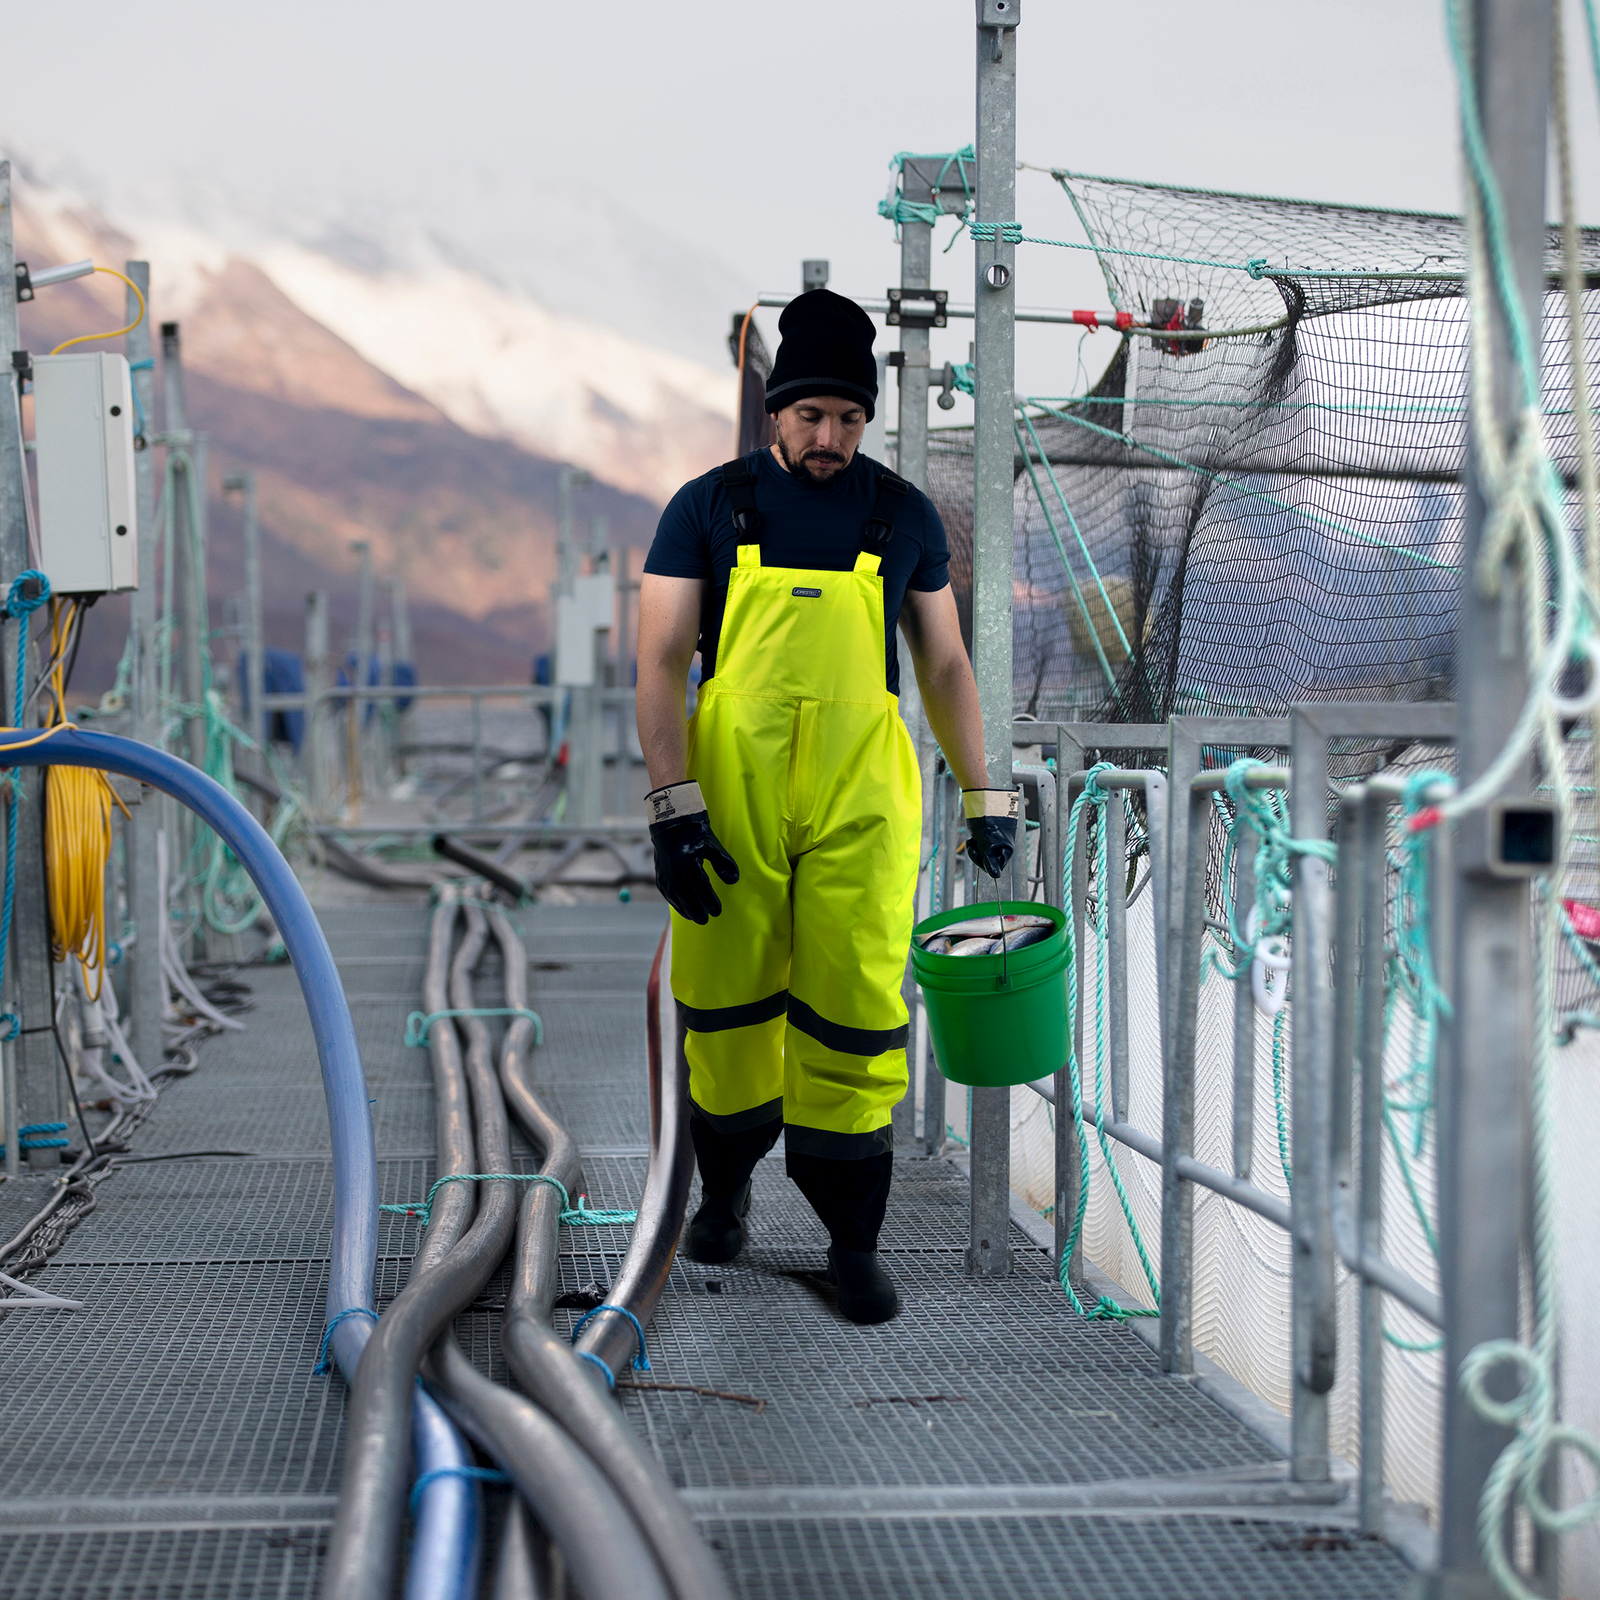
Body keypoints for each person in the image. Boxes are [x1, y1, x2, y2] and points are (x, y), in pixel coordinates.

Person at [635, 289, 1015, 1325]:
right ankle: (724, 1190)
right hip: (731, 792)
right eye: (811, 416)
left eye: (850, 418)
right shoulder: (707, 507)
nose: (830, 438)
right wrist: (672, 805)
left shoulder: (902, 514)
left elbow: (944, 663)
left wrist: (985, 791)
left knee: (855, 1001)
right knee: (727, 1004)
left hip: (861, 794)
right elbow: (660, 660)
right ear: (776, 411)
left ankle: (853, 1239)